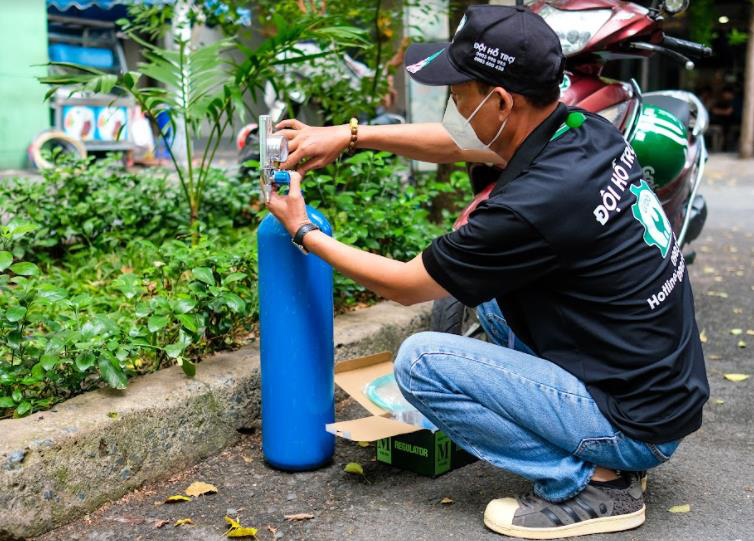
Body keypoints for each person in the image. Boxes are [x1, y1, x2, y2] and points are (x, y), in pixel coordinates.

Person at [264, 5, 709, 539]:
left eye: (458, 94)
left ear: (501, 102)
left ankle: (595, 483)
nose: (451, 105)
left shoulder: (533, 206)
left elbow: (405, 286)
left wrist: (304, 233)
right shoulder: (581, 127)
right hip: (658, 387)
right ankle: (601, 452)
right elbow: (460, 141)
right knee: (495, 297)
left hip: (635, 420)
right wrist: (349, 135)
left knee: (422, 362)